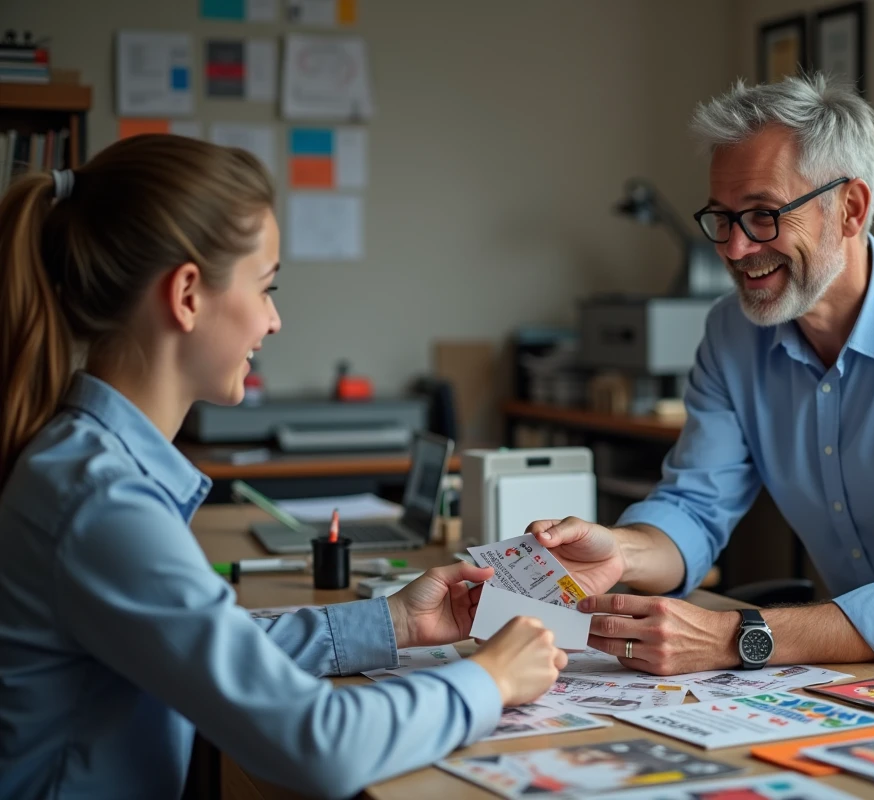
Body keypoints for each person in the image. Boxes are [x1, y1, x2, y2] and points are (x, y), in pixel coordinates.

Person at [0, 134, 566, 800]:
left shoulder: (87, 465)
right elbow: (318, 745)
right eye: (266, 288)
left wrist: (395, 624)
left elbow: (211, 645)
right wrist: (491, 679)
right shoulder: (103, 501)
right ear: (187, 295)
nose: (273, 321)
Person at [528, 74, 874, 692]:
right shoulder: (732, 333)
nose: (735, 248)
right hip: (854, 645)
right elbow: (694, 507)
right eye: (722, 218)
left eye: (763, 215)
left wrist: (731, 637)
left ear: (850, 208)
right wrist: (621, 551)